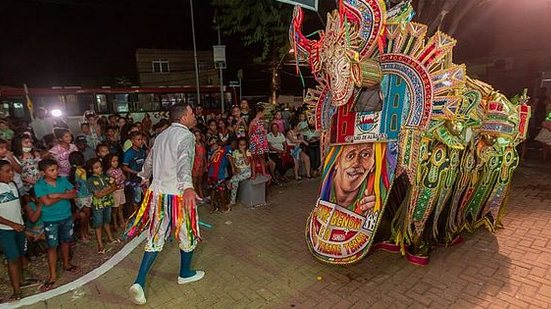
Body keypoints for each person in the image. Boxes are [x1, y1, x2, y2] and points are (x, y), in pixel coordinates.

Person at [127, 104, 204, 305]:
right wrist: (188, 186)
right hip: (178, 195)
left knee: (155, 236)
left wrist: (144, 176)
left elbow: (149, 161)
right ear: (183, 118)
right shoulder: (187, 136)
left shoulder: (160, 136)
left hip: (158, 195)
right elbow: (184, 162)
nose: (194, 116)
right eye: (191, 113)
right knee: (187, 232)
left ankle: (139, 282)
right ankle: (185, 273)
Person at [34, 159, 78, 291]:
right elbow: (46, 202)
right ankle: (52, 275)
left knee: (65, 242)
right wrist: (65, 195)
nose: (55, 172)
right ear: (43, 172)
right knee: (52, 247)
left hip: (66, 216)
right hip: (51, 219)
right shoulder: (39, 185)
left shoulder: (63, 180)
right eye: (51, 170)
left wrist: (57, 195)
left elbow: (74, 193)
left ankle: (66, 264)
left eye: (56, 169)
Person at [321, 144, 376, 214]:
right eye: (350, 156)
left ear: (373, 165)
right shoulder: (325, 190)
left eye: (365, 155)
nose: (356, 163)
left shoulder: (374, 193)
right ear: (337, 162)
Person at [0, 160, 27, 300]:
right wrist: (12, 224)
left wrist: (19, 222)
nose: (11, 173)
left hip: (19, 226)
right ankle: (16, 290)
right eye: (7, 171)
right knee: (13, 258)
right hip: (5, 229)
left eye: (12, 170)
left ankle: (21, 281)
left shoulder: (13, 184)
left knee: (20, 255)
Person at [86, 158, 119, 254]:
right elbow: (98, 195)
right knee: (98, 224)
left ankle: (110, 238)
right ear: (91, 170)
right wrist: (108, 189)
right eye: (96, 167)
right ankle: (100, 245)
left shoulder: (105, 176)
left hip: (108, 202)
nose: (99, 169)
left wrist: (104, 190)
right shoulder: (90, 180)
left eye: (100, 166)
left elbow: (115, 186)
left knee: (107, 221)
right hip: (98, 205)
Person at [68, 151, 92, 242]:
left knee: (85, 215)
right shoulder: (81, 171)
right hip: (83, 195)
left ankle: (85, 233)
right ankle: (83, 234)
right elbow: (81, 184)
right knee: (85, 216)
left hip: (81, 195)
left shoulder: (73, 171)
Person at [122, 131, 146, 212]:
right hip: (134, 179)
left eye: (141, 139)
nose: (141, 141)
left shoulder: (142, 151)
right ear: (132, 141)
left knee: (145, 197)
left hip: (144, 177)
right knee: (137, 198)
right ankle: (135, 216)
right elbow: (124, 167)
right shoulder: (128, 153)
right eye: (138, 139)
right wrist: (136, 172)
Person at [207, 136, 232, 213]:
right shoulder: (212, 151)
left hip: (217, 173)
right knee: (218, 190)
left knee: (218, 190)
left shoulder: (224, 148)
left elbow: (229, 157)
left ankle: (217, 207)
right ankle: (220, 207)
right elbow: (210, 160)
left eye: (215, 141)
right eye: (212, 142)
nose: (214, 143)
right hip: (215, 173)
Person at [104, 153, 126, 232]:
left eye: (116, 161)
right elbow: (113, 183)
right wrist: (120, 180)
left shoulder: (119, 169)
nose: (115, 163)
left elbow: (123, 177)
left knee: (120, 207)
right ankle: (115, 223)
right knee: (115, 209)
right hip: (115, 191)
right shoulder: (109, 172)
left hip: (121, 189)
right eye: (113, 161)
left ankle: (122, 221)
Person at [228, 137, 252, 207]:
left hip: (247, 170)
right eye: (240, 145)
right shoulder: (235, 152)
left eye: (243, 145)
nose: (242, 146)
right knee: (235, 183)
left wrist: (244, 152)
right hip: (239, 171)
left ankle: (230, 181)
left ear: (246, 145)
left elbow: (247, 163)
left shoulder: (248, 151)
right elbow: (234, 161)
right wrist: (235, 168)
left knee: (249, 174)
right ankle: (232, 201)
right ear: (238, 145)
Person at [248, 107, 269, 179]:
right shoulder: (253, 122)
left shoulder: (261, 122)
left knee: (260, 157)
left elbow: (249, 134)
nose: (263, 114)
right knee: (255, 158)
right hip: (257, 141)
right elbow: (249, 133)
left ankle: (262, 172)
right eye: (263, 112)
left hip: (258, 140)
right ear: (259, 112)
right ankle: (254, 174)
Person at [192, 130, 207, 199]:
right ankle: (194, 196)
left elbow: (204, 156)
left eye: (199, 135)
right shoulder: (192, 145)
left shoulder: (202, 144)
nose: (198, 137)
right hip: (194, 165)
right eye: (196, 135)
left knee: (200, 181)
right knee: (194, 181)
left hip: (201, 164)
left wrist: (205, 164)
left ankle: (201, 195)